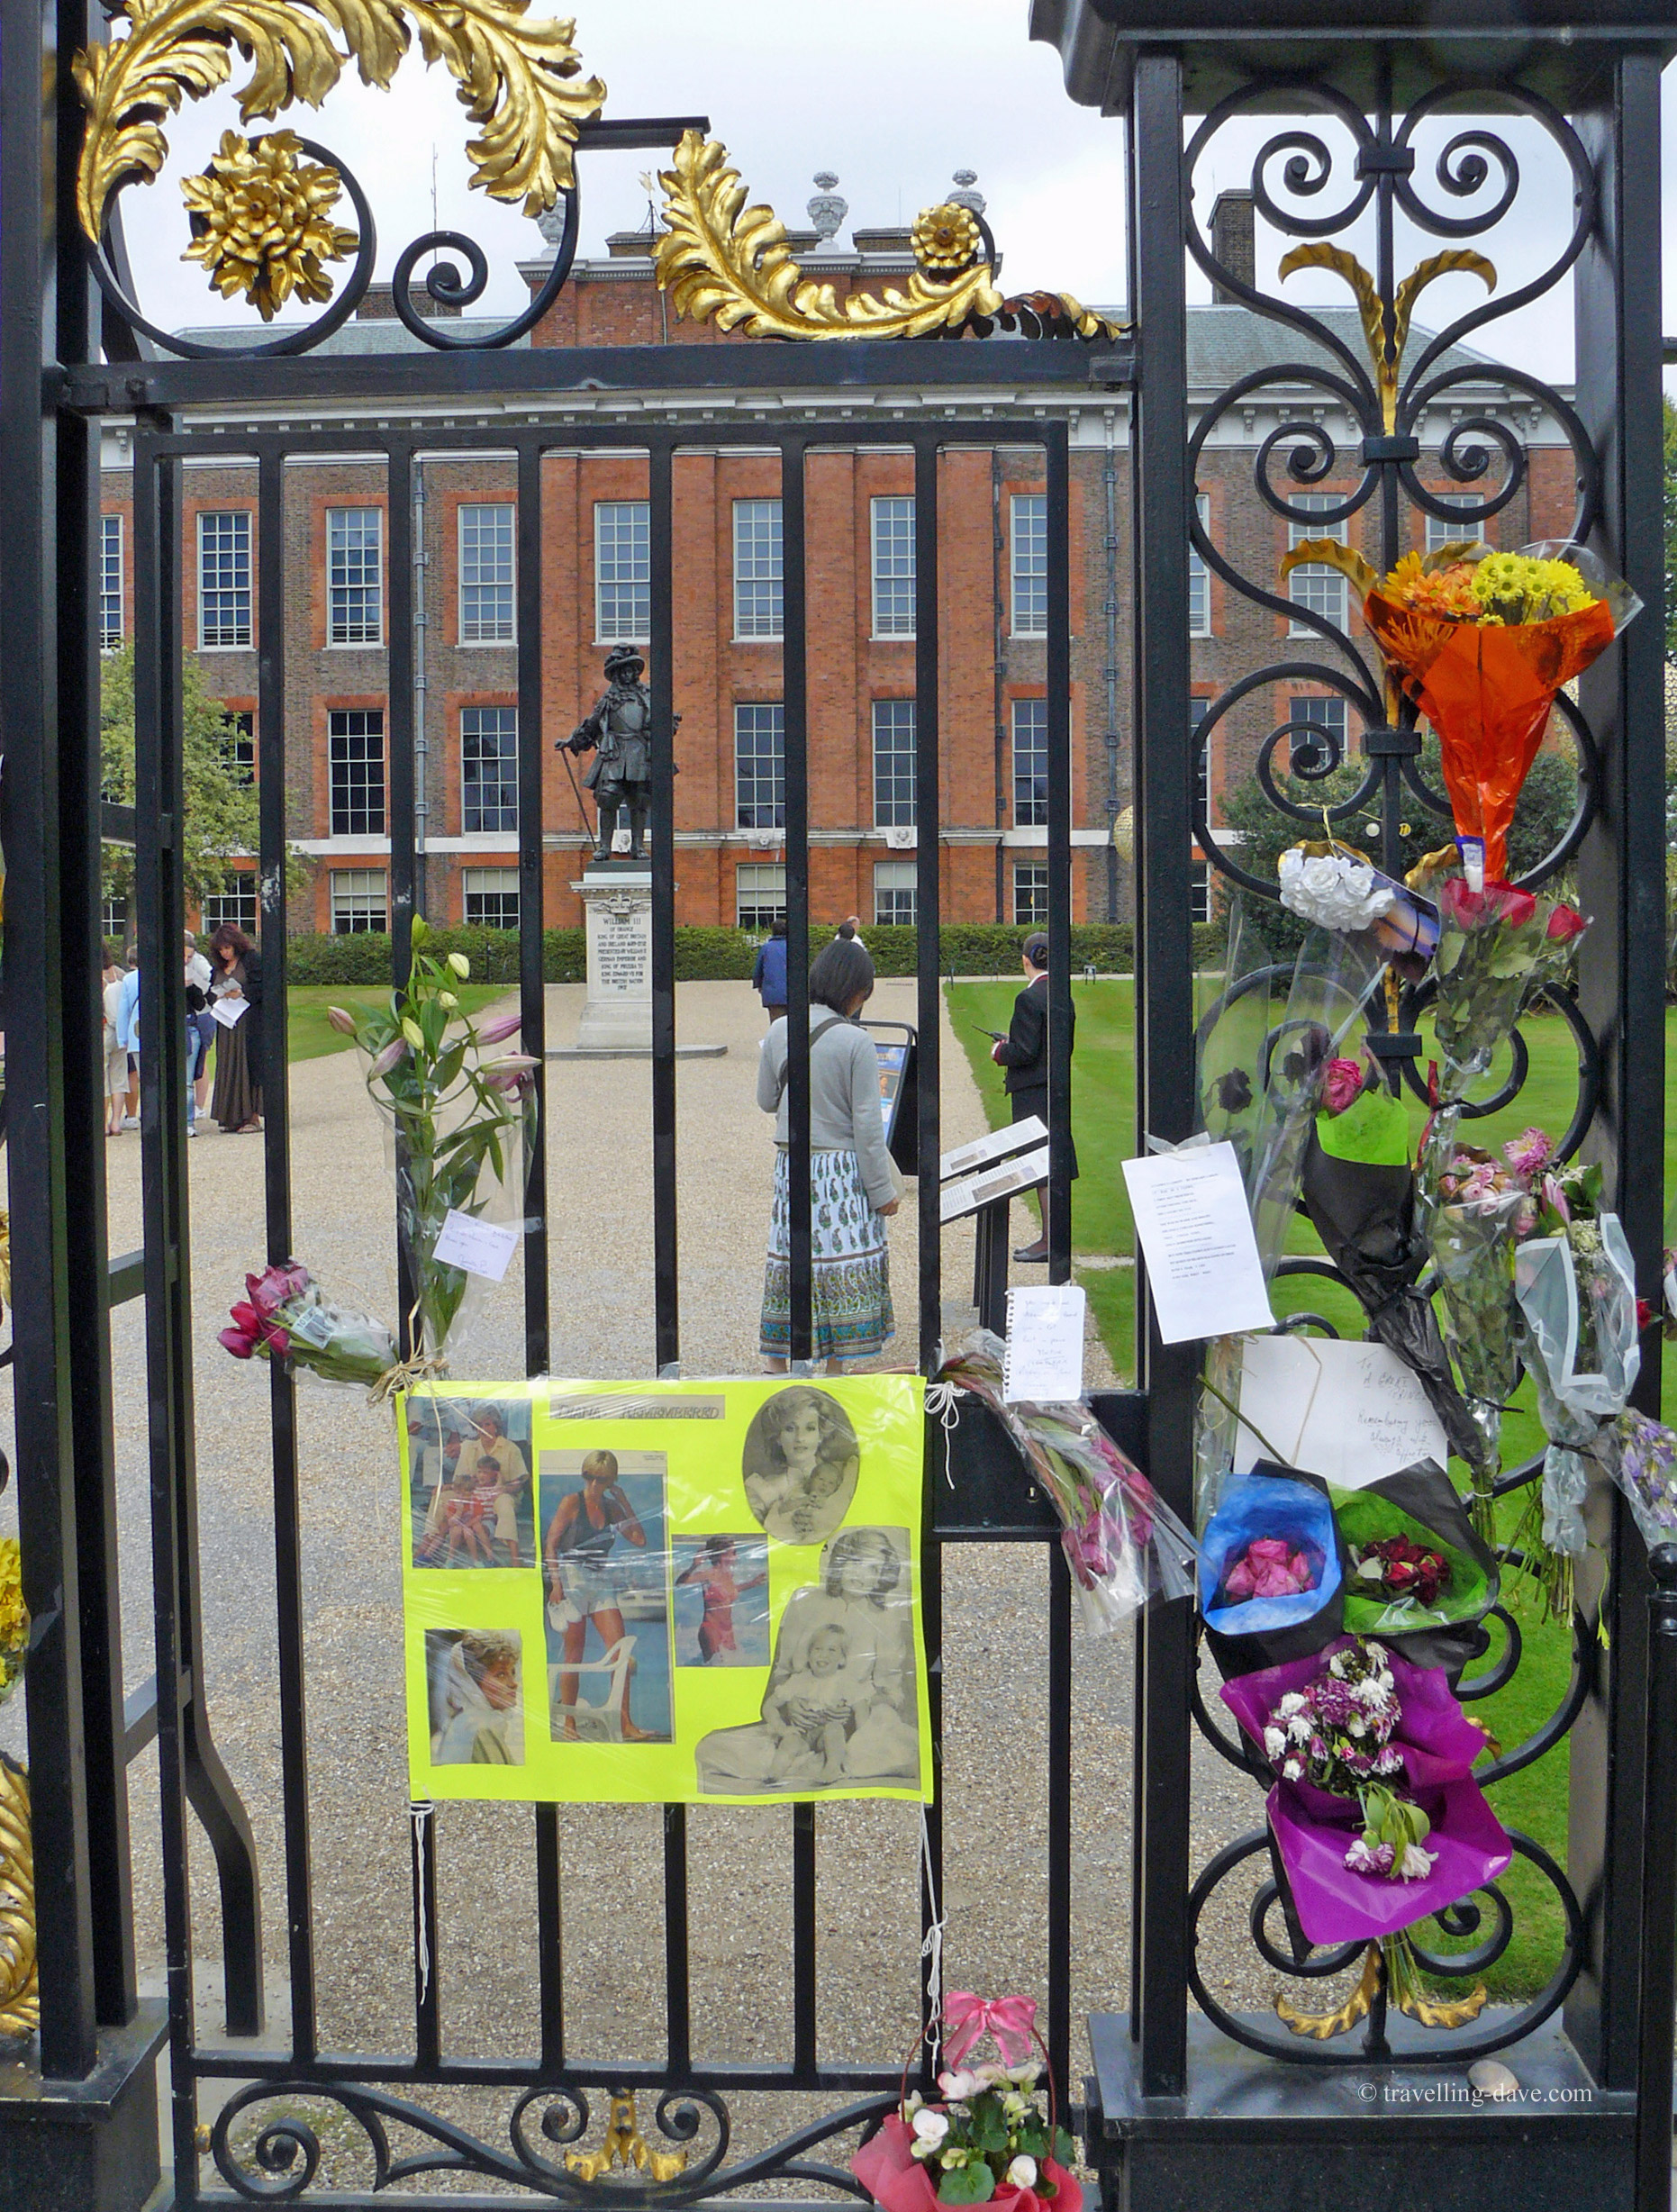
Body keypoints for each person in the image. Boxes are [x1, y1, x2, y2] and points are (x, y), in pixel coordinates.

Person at [757, 935, 898, 1373]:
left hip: (792, 1163)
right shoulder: (857, 1041)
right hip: (840, 1168)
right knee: (840, 1263)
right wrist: (882, 1191)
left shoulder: (779, 1030)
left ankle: (778, 1361)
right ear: (856, 991)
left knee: (792, 1257)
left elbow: (766, 1100)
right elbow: (868, 1127)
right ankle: (836, 1367)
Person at [544, 1450, 654, 1742]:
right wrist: (556, 1585)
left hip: (600, 1580)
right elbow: (551, 1545)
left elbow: (640, 1540)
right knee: (574, 1654)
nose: (594, 1484)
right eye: (589, 1477)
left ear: (611, 1481)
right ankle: (569, 1722)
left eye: (601, 1480)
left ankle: (625, 1722)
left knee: (621, 1652)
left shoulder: (612, 1507)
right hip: (571, 1579)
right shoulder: (571, 1502)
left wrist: (624, 1501)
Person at [991, 929, 1078, 1263]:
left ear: (1025, 961)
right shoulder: (1062, 993)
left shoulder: (1027, 998)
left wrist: (1000, 1051)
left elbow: (1025, 1051)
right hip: (1055, 1088)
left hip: (1033, 1093)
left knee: (1042, 1167)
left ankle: (1050, 1241)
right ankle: (1054, 1238)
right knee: (1053, 1162)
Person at [742, 1386, 859, 1544]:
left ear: (820, 1434)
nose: (800, 1438)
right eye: (790, 1429)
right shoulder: (762, 1489)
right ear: (778, 1437)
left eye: (810, 1428)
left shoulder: (845, 1476)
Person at [764, 1622, 869, 1783]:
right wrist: (782, 1728)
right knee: (790, 1742)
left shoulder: (846, 1683)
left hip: (827, 1737)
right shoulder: (799, 1680)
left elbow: (861, 1710)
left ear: (842, 1659)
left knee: (834, 1729)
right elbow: (769, 1706)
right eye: (818, 1649)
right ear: (809, 1655)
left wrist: (861, 1739)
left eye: (831, 1650)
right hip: (803, 1734)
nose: (823, 1655)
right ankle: (775, 1772)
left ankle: (832, 1767)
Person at [206, 921, 264, 1134]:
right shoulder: (218, 968)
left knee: (247, 1066)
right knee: (228, 1066)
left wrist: (242, 992)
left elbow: (263, 986)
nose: (225, 953)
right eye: (221, 949)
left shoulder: (251, 960)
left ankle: (252, 1117)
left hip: (248, 1023)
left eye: (227, 948)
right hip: (226, 1023)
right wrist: (218, 995)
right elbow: (209, 993)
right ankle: (232, 1116)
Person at [457, 1405, 530, 1568]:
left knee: (504, 1502)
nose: (483, 1429)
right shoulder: (469, 1447)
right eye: (479, 1425)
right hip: (473, 1494)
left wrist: (503, 1489)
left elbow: (520, 1482)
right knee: (442, 1497)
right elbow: (460, 1480)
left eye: (487, 1424)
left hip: (502, 1494)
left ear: (496, 1425)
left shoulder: (510, 1448)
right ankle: (429, 1546)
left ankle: (515, 1558)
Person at [431, 1632, 521, 1764]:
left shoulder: (465, 1722)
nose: (513, 1683)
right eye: (501, 1675)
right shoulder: (481, 1728)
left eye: (512, 1673)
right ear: (471, 1683)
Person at [676, 1536, 767, 1664]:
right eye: (733, 1552)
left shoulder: (728, 1575)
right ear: (723, 1555)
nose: (736, 1556)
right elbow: (680, 1583)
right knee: (716, 1667)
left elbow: (730, 1591)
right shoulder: (709, 1574)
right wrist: (694, 1566)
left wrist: (752, 1583)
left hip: (728, 1632)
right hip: (711, 1629)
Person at [185, 929, 215, 1120]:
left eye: (189, 956)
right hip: (191, 1013)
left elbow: (211, 980)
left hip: (202, 1014)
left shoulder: (199, 962)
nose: (186, 959)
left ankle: (198, 1106)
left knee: (199, 1061)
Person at [101, 946, 128, 1136]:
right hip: (120, 1030)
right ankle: (116, 1122)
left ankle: (102, 1123)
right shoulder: (118, 974)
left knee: (101, 1078)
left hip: (103, 1029)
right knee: (119, 1077)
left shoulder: (95, 976)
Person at [116, 945, 141, 1128]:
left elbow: (123, 1010)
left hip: (136, 1032)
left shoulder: (128, 979)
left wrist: (121, 1038)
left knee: (141, 1075)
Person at [751, 920, 788, 1025]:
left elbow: (758, 969)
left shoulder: (766, 948)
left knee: (777, 1024)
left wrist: (758, 985)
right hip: (793, 993)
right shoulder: (794, 947)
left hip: (773, 993)